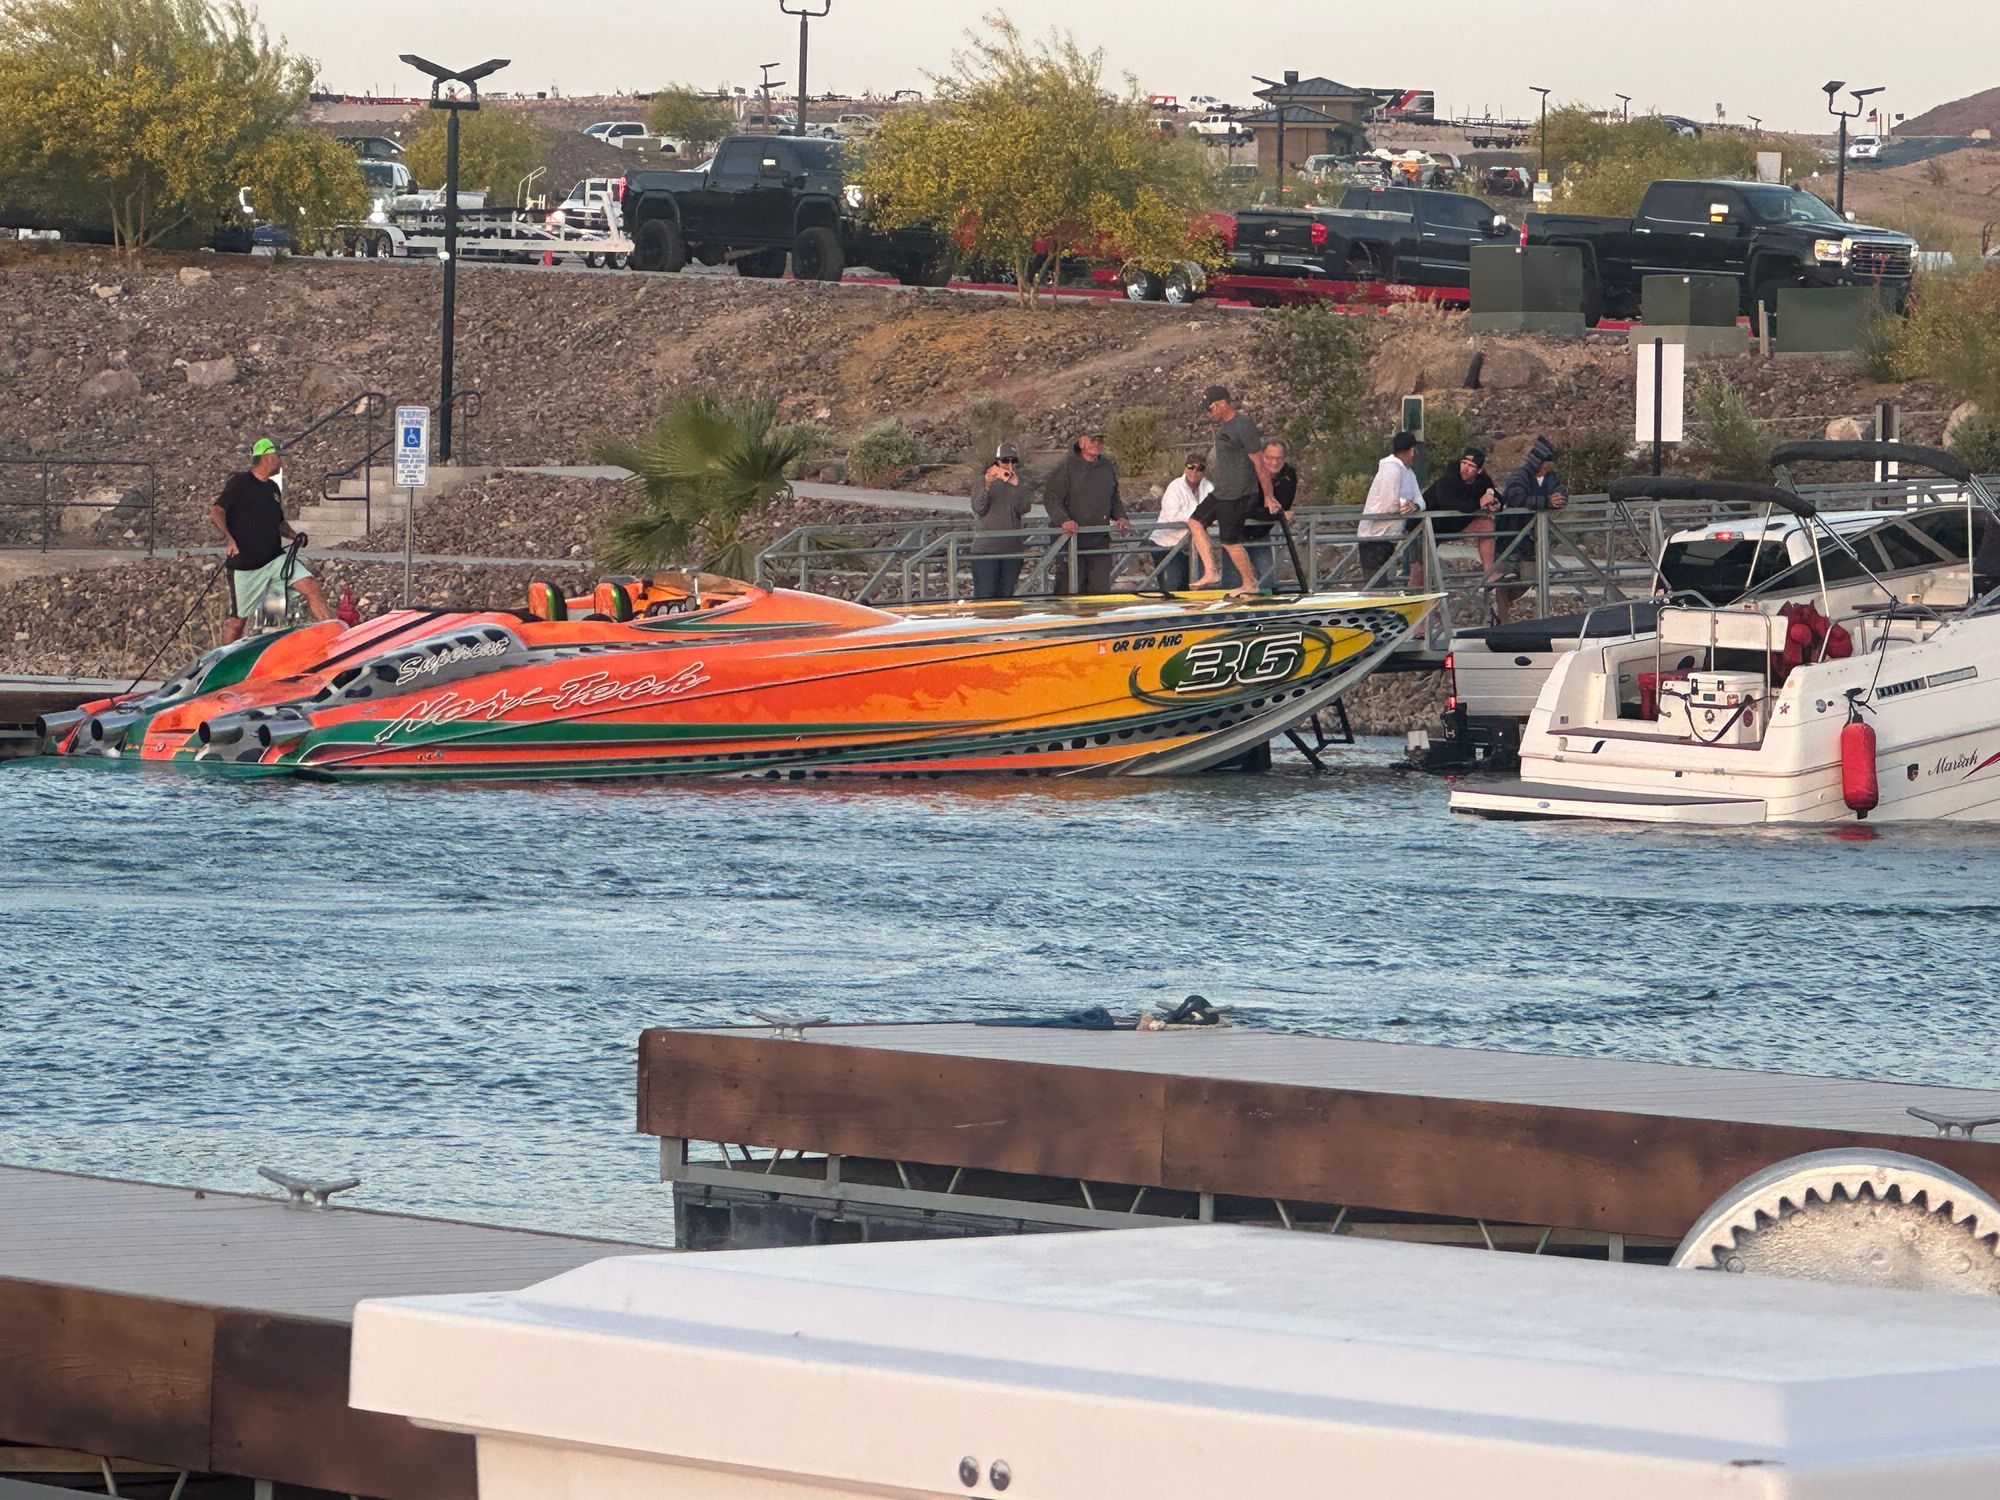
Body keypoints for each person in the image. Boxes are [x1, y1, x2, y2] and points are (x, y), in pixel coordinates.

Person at [210, 438, 332, 642]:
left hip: (275, 560)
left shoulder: (273, 489)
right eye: (277, 456)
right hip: (247, 565)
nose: (280, 461)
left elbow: (279, 522)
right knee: (237, 621)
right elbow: (216, 511)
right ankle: (223, 657)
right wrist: (229, 539)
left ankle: (332, 637)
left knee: (311, 586)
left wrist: (294, 535)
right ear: (266, 457)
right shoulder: (240, 482)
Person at [1191, 385, 1279, 595]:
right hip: (1221, 492)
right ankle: (1211, 571)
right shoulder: (1226, 427)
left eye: (1211, 408)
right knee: (1195, 522)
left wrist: (1268, 496)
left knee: (1229, 541)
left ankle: (1250, 583)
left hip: (1238, 494)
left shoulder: (1243, 424)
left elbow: (1259, 463)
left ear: (1222, 403)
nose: (1209, 413)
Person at [1041, 425, 1130, 595]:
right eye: (1092, 439)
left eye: (1100, 440)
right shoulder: (1066, 467)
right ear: (1081, 442)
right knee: (1069, 587)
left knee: (1100, 589)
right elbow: (1052, 498)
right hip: (1070, 539)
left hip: (1099, 538)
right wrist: (1063, 520)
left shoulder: (1107, 466)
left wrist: (1120, 516)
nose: (1096, 443)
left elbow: (1113, 496)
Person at [1493, 436, 1568, 625]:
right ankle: (1502, 621)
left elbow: (1561, 491)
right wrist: (1546, 501)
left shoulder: (1550, 478)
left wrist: (1560, 499)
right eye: (1547, 461)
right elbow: (1516, 498)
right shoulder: (1519, 476)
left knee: (1530, 578)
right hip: (1510, 536)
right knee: (1503, 580)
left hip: (1532, 540)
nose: (1549, 466)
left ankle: (1499, 611)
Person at [1421, 445, 1498, 589]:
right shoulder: (1449, 478)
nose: (1465, 468)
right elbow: (1448, 503)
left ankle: (1490, 574)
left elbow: (1495, 493)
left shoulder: (1482, 480)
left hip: (1453, 524)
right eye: (1464, 463)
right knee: (1419, 574)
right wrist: (1479, 503)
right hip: (1427, 525)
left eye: (1471, 466)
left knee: (1486, 524)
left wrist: (1495, 502)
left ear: (1479, 470)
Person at [1356, 430, 1424, 585]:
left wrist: (1415, 506)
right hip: (1374, 537)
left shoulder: (1409, 473)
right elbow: (1389, 505)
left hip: (1389, 537)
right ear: (1411, 451)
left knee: (1381, 583)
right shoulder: (1391, 469)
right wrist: (1405, 506)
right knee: (1375, 585)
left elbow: (1420, 500)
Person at [969, 443, 1033, 599]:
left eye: (1013, 461)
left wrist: (1017, 486)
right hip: (986, 549)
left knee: (1006, 596)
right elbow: (979, 508)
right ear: (997, 461)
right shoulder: (982, 482)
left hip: (1012, 549)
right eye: (1005, 461)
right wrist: (987, 485)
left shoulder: (1018, 483)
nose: (1009, 465)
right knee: (986, 595)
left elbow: (1024, 508)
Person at [1237, 439, 1298, 590]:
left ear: (1284, 458)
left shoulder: (1289, 474)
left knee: (1267, 580)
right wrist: (1279, 515)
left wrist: (1277, 512)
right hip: (1235, 534)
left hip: (1261, 533)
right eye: (1269, 458)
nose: (1274, 462)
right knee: (1233, 581)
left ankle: (1265, 605)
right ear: (1261, 456)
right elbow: (1247, 509)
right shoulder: (1247, 474)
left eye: (1279, 458)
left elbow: (1284, 505)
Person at [1150, 454, 1214, 591]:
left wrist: (1201, 519)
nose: (1194, 471)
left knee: (1195, 586)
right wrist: (1197, 519)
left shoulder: (1208, 486)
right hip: (1166, 544)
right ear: (1185, 468)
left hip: (1193, 546)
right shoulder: (1175, 486)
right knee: (1172, 587)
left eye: (1200, 468)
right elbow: (1172, 515)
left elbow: (1216, 510)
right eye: (1191, 467)